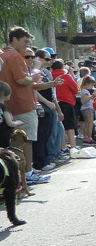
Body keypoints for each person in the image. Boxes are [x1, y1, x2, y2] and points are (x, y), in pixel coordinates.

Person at [0, 27, 53, 184]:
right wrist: (34, 74)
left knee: (11, 142)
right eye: (25, 42)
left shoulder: (3, 56)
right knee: (26, 140)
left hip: (8, 104)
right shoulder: (15, 56)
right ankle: (28, 174)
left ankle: (16, 175)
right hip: (22, 104)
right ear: (14, 40)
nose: (27, 45)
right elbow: (22, 80)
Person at [51, 60, 78, 151]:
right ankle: (73, 147)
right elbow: (75, 89)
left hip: (54, 103)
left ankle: (62, 147)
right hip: (67, 102)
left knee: (60, 126)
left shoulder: (50, 76)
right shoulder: (66, 76)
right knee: (70, 126)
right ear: (63, 67)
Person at [0, 81, 24, 148]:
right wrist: (18, 122)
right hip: (4, 135)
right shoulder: (4, 108)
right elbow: (9, 123)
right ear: (4, 93)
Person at [78, 75, 96, 144]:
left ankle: (86, 137)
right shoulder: (85, 91)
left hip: (84, 108)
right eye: (91, 85)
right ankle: (89, 137)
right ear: (87, 84)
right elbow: (85, 100)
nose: (91, 87)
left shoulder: (83, 90)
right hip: (87, 108)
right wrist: (92, 96)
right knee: (90, 124)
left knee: (86, 124)